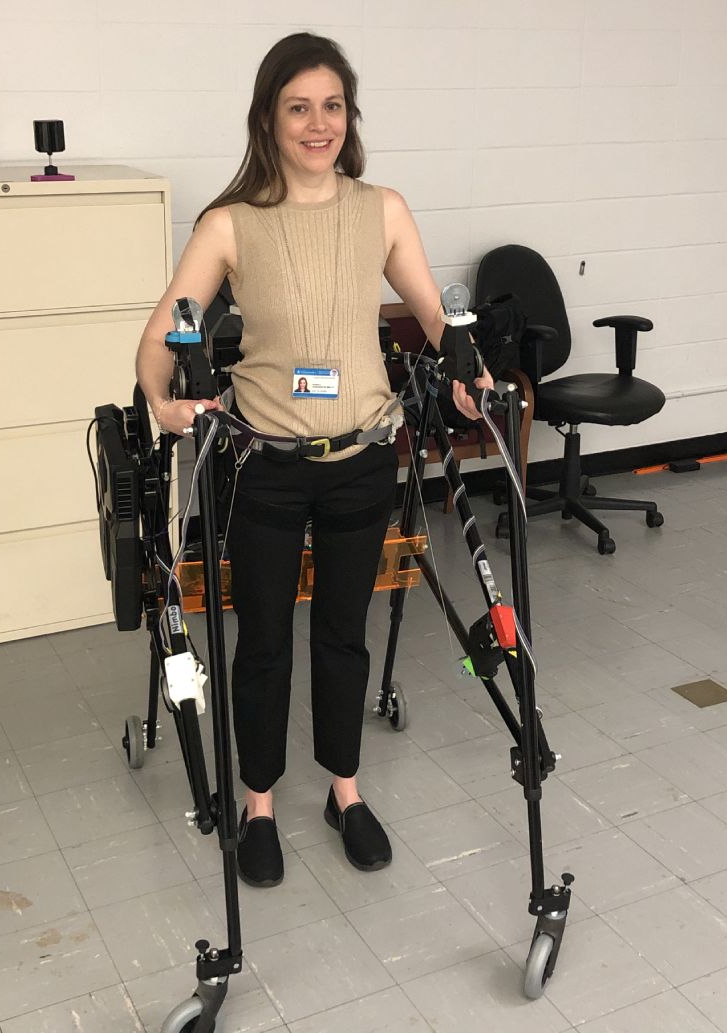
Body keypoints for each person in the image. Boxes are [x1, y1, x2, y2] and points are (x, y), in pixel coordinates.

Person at [136, 32, 492, 888]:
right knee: (261, 640)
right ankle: (258, 803)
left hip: (363, 459)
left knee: (342, 635)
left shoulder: (383, 210)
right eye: (299, 107)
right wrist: (164, 399)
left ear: (349, 116)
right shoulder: (230, 224)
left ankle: (345, 790)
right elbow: (158, 338)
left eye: (332, 106)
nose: (318, 123)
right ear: (268, 117)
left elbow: (436, 323)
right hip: (264, 462)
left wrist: (467, 371)